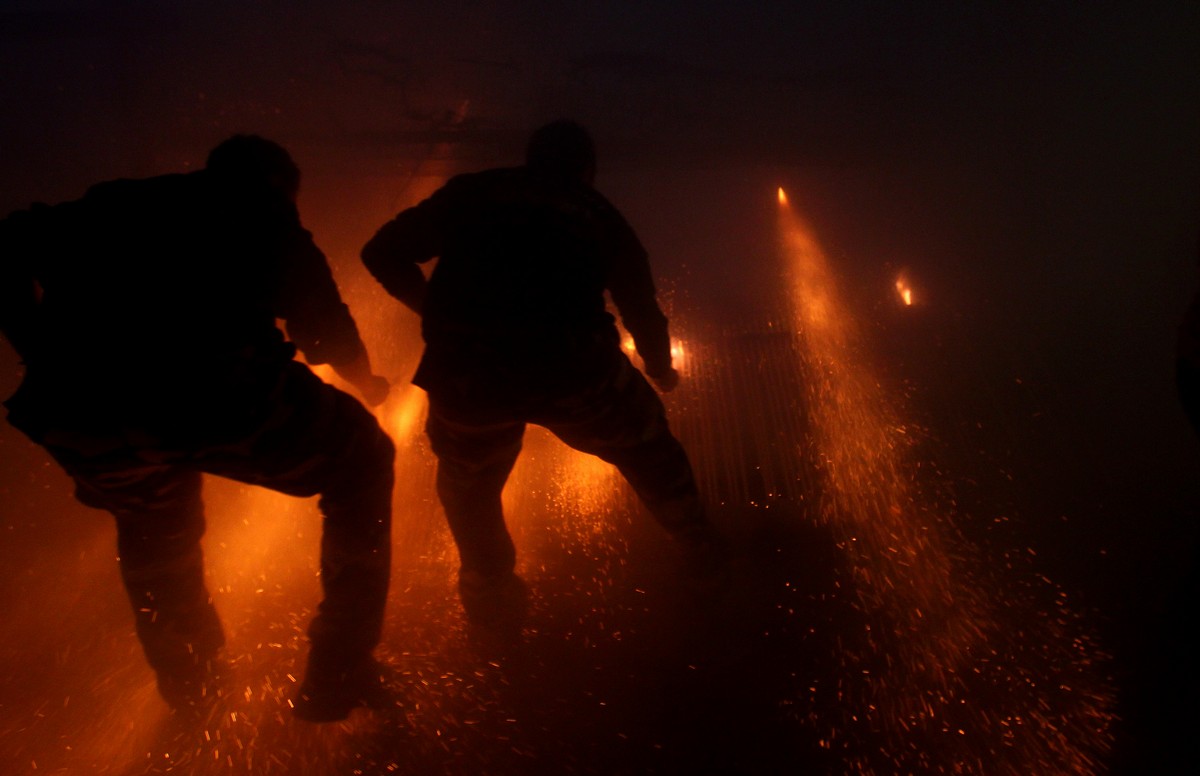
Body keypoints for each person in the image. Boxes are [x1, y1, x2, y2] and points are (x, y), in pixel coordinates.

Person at [0, 136, 395, 722]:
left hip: (81, 417)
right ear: (280, 184)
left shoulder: (107, 206)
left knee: (153, 526)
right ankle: (339, 669)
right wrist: (368, 384)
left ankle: (194, 693)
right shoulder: (265, 214)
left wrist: (38, 348)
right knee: (363, 457)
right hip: (214, 395)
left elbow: (4, 246)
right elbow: (327, 331)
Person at [361, 120, 722, 622]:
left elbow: (380, 252)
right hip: (574, 372)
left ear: (531, 158)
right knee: (649, 448)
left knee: (469, 487)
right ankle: (700, 553)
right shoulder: (598, 213)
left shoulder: (474, 193)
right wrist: (660, 370)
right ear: (587, 169)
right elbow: (640, 307)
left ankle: (489, 595)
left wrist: (437, 314)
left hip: (468, 377)